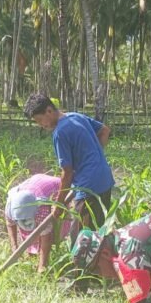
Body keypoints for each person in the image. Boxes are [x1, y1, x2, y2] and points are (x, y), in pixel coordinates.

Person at [23, 94, 114, 237]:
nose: (41, 125)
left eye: (40, 120)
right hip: (105, 180)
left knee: (81, 242)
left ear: (49, 111)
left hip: (88, 188)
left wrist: (58, 205)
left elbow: (67, 173)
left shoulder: (60, 132)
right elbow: (104, 131)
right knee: (98, 234)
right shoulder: (75, 116)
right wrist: (93, 156)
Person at [5, 174, 71, 273]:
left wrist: (42, 267)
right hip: (33, 184)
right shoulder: (11, 207)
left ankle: (42, 262)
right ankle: (32, 253)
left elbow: (46, 237)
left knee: (55, 224)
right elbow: (10, 224)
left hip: (54, 187)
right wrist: (14, 248)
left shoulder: (41, 209)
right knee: (29, 229)